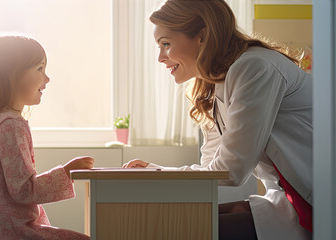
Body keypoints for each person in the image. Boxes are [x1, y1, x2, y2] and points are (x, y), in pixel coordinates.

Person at [123, 1, 313, 239]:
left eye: (166, 44)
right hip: (287, 202)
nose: (161, 57)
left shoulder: (254, 67)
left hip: (315, 205)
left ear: (201, 36)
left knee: (175, 230)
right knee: (168, 224)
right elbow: (210, 170)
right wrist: (159, 173)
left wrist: (160, 174)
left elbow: (230, 171)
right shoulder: (214, 85)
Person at [0, 35, 93, 240]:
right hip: (6, 233)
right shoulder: (10, 125)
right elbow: (23, 190)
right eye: (39, 69)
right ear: (10, 76)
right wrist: (66, 173)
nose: (47, 79)